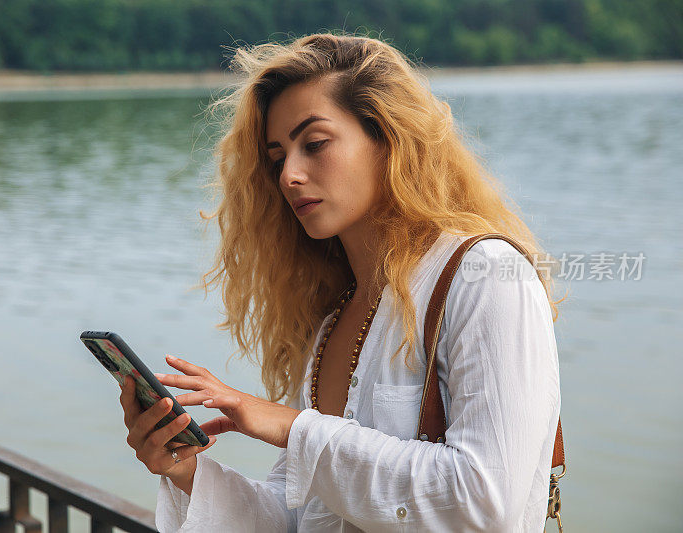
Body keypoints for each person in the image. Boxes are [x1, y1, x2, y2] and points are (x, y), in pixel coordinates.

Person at [118, 32, 564, 532]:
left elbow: (488, 504)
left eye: (314, 144)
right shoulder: (334, 320)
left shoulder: (484, 278)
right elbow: (304, 519)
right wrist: (187, 471)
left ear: (388, 138)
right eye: (277, 156)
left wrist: (291, 427)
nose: (289, 174)